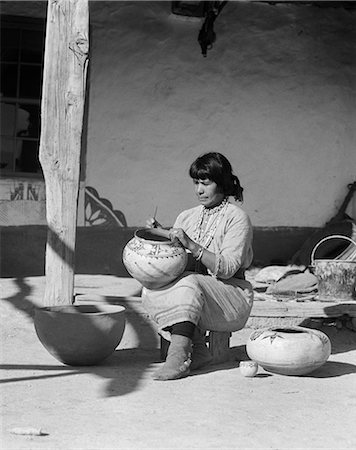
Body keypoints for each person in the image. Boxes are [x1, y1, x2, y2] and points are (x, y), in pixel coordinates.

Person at [143, 152, 254, 381]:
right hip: (197, 293)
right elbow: (177, 258)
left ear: (221, 183)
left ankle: (178, 357)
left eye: (206, 183)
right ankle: (199, 351)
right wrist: (160, 234)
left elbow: (229, 269)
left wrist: (192, 245)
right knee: (153, 286)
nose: (199, 190)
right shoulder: (187, 216)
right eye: (196, 183)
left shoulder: (237, 218)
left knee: (188, 283)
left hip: (231, 296)